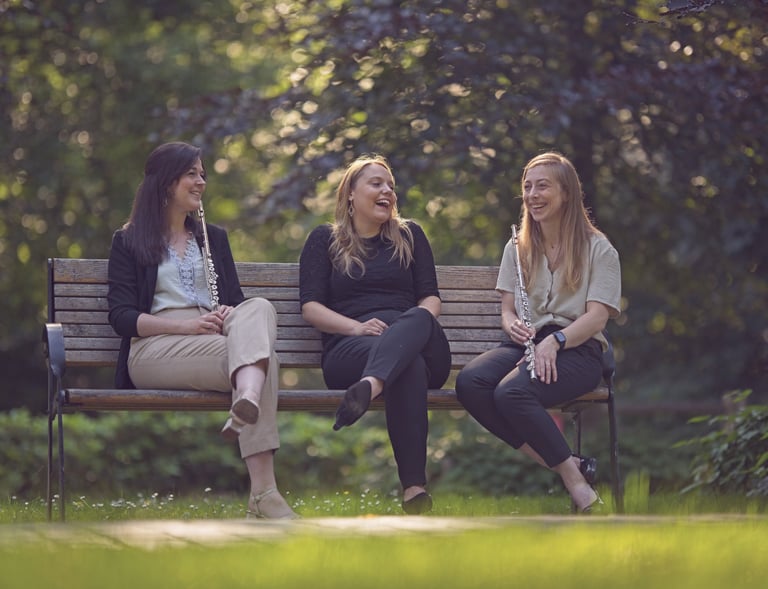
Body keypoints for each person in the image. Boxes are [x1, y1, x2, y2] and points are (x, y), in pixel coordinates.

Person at [107, 141, 297, 519]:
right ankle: (264, 494)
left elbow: (240, 302)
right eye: (191, 173)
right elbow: (122, 317)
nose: (200, 182)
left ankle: (247, 398)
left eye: (202, 174)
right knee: (264, 360)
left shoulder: (213, 239)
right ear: (166, 183)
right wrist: (186, 325)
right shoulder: (128, 241)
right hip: (154, 348)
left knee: (259, 308)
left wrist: (226, 312)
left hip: (215, 341)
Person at [455, 152, 621, 513]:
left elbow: (596, 319)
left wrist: (557, 340)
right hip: (527, 343)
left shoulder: (599, 249)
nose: (532, 195)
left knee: (512, 393)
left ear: (567, 193)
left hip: (577, 349)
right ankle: (568, 466)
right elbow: (507, 308)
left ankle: (577, 486)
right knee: (471, 383)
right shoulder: (517, 248)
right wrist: (510, 322)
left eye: (542, 186)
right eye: (527, 187)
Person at [299, 154, 451, 514]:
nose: (388, 191)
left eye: (391, 186)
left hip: (420, 343)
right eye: (377, 183)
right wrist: (357, 327)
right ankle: (414, 490)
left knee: (415, 322)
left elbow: (430, 298)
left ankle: (371, 386)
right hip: (350, 349)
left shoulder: (410, 235)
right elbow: (311, 308)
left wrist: (408, 328)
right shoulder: (324, 240)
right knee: (406, 365)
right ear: (350, 193)